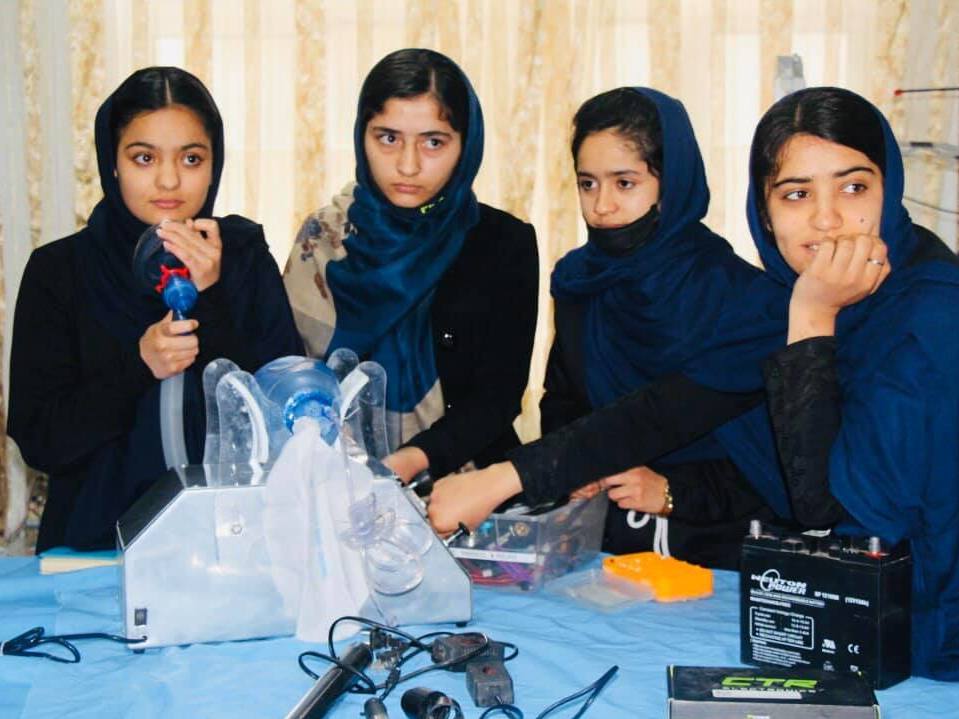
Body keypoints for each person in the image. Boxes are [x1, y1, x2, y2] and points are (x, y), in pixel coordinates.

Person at [429, 87, 959, 681]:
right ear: (763, 210)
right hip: (811, 607)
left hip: (921, 636)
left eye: (854, 187)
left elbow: (820, 506)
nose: (827, 217)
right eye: (796, 194)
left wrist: (810, 319)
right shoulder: (811, 302)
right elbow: (580, 404)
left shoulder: (925, 316)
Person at [8, 67, 303, 552]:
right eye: (144, 157)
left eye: (191, 158)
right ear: (113, 162)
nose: (169, 180)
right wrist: (137, 366)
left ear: (215, 163)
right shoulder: (61, 270)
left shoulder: (243, 256)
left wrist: (212, 299)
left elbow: (283, 418)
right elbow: (42, 441)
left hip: (232, 545)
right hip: (99, 552)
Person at [540, 87, 771, 568]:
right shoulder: (580, 283)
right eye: (588, 183)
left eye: (625, 183)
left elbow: (779, 462)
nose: (601, 206)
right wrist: (572, 469)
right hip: (604, 545)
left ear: (673, 183)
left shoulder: (742, 298)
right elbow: (563, 399)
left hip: (722, 551)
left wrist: (672, 491)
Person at [284, 48, 538, 483]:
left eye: (433, 142)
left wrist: (410, 462)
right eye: (388, 138)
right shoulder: (323, 237)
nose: (408, 164)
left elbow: (497, 398)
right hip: (333, 481)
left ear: (467, 144)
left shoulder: (502, 242)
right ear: (361, 136)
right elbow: (289, 371)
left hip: (463, 489)